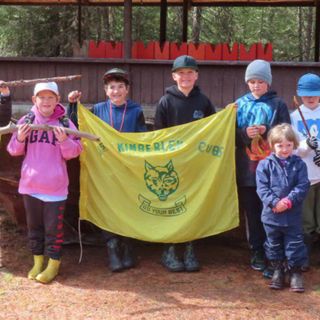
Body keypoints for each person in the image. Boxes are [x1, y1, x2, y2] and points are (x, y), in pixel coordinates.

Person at [68, 68, 147, 272]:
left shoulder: (136, 110)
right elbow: (75, 125)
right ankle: (112, 247)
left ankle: (128, 246)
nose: (116, 91)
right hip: (102, 169)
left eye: (120, 87)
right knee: (106, 206)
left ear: (127, 90)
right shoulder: (96, 110)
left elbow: (142, 139)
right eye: (112, 87)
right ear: (106, 90)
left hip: (128, 169)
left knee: (128, 206)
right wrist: (72, 104)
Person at [7, 82, 83, 284]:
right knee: (34, 228)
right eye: (42, 97)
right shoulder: (27, 120)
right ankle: (38, 261)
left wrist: (64, 141)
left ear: (57, 100)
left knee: (53, 229)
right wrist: (21, 137)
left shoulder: (65, 122)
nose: (46, 101)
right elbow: (13, 150)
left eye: (50, 97)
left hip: (55, 189)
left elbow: (75, 151)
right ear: (34, 100)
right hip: (30, 186)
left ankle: (53, 265)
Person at [154, 55, 215, 272]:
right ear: (174, 76)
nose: (185, 77)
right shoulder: (166, 101)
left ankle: (190, 248)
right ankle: (169, 249)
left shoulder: (204, 101)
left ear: (196, 75)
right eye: (181, 73)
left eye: (190, 72)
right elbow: (158, 135)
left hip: (196, 165)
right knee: (171, 207)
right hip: (173, 166)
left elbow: (214, 130)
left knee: (192, 207)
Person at [236, 59, 291, 276]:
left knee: (271, 213)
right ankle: (256, 251)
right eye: (252, 81)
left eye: (260, 81)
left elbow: (287, 134)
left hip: (273, 172)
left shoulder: (278, 105)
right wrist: (243, 134)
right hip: (247, 171)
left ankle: (274, 254)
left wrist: (267, 130)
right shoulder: (239, 104)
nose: (256, 85)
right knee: (252, 213)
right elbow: (228, 135)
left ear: (268, 83)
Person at [256, 123, 309, 292]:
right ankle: (277, 270)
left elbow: (302, 186)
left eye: (289, 145)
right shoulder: (264, 165)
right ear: (272, 146)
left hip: (292, 215)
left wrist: (287, 202)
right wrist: (274, 203)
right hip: (271, 216)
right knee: (273, 245)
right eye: (280, 145)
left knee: (294, 245)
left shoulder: (299, 164)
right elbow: (262, 188)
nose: (285, 149)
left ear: (294, 145)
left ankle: (295, 273)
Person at [290, 73, 320, 270]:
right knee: (307, 219)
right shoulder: (293, 117)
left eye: (315, 94)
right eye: (306, 95)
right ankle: (306, 256)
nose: (310, 98)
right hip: (306, 176)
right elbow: (292, 149)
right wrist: (306, 146)